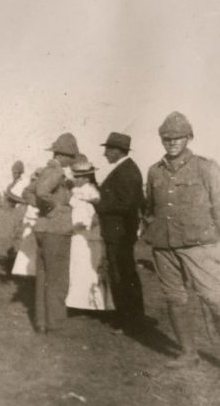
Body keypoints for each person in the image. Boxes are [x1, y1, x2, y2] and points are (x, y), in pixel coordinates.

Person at [143, 112, 220, 368]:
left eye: (178, 137)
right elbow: (150, 207)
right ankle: (189, 353)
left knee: (214, 298)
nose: (172, 142)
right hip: (164, 245)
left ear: (189, 137)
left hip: (200, 245)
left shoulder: (206, 167)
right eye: (166, 138)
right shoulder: (154, 171)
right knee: (175, 298)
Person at [95, 132, 148, 332]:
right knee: (124, 274)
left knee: (122, 274)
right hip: (119, 231)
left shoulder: (126, 171)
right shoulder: (125, 169)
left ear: (118, 151)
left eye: (108, 149)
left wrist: (98, 203)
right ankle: (130, 317)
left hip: (120, 232)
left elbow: (124, 204)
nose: (105, 153)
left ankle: (128, 320)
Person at [30, 133, 79, 334]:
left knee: (43, 277)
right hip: (57, 230)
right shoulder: (57, 172)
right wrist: (56, 207)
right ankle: (56, 323)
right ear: (65, 156)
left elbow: (29, 193)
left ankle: (41, 322)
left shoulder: (43, 171)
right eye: (71, 156)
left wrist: (43, 209)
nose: (72, 161)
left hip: (42, 228)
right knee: (58, 279)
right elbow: (42, 192)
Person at [65, 159, 113, 311]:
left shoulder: (88, 192)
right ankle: (83, 303)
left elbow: (89, 218)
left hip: (85, 235)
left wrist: (73, 227)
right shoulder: (80, 191)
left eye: (78, 177)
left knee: (87, 267)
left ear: (87, 177)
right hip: (82, 235)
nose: (75, 179)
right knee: (82, 268)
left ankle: (92, 303)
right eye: (75, 176)